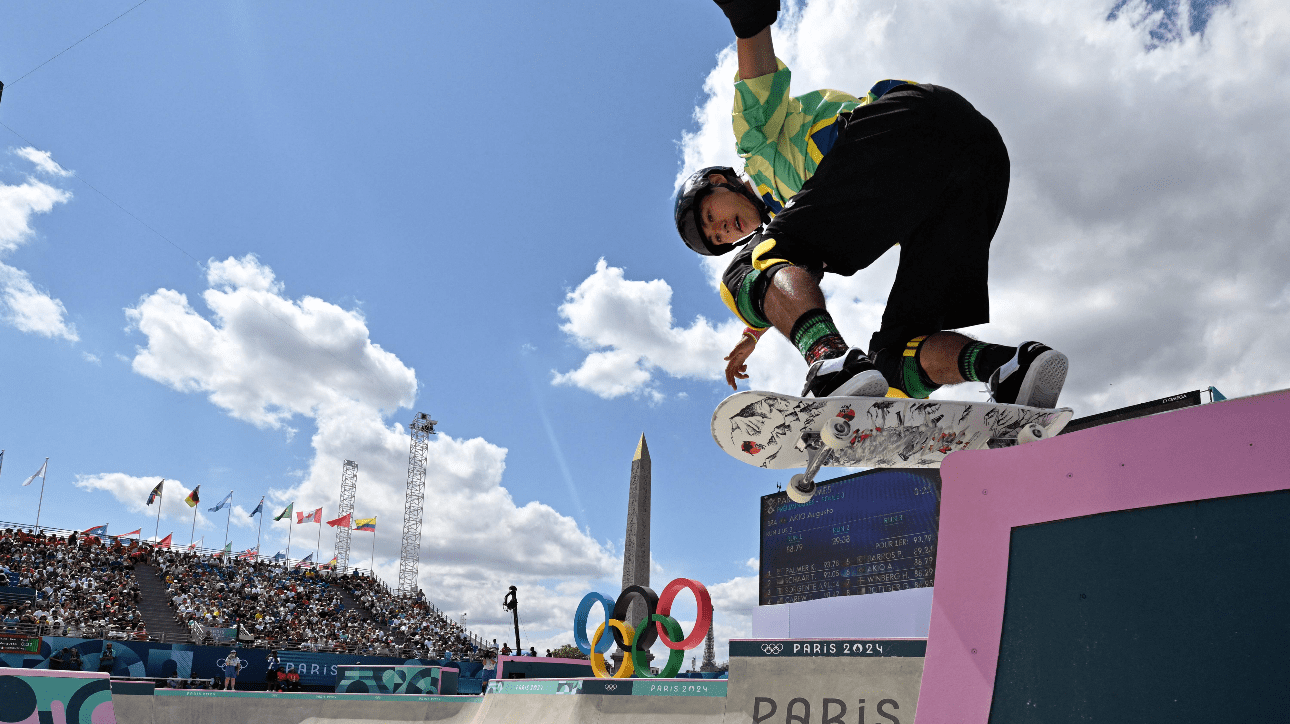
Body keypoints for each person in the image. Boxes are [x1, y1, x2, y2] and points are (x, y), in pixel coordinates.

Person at [676, 0, 1068, 407]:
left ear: (719, 182)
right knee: (898, 360)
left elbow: (756, 67)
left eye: (710, 217)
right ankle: (1009, 367)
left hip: (907, 124)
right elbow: (788, 275)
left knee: (742, 273)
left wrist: (746, 15)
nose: (722, 232)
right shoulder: (802, 223)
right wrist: (751, 335)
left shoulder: (757, 145)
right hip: (975, 168)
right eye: (717, 238)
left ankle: (829, 359)